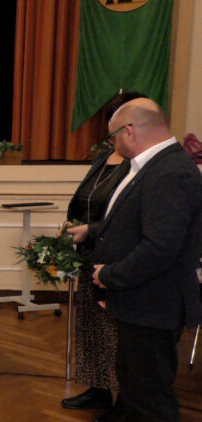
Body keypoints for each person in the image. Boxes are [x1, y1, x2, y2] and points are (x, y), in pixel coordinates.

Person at [92, 98, 202, 421]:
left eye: (112, 136)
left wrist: (109, 276)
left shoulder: (169, 172)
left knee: (151, 401)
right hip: (139, 302)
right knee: (135, 390)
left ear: (129, 131)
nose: (112, 144)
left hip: (153, 305)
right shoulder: (155, 167)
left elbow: (160, 248)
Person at [60, 92, 146, 412]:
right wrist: (72, 223)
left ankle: (124, 398)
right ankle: (98, 388)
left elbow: (130, 219)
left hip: (117, 257)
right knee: (91, 326)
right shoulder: (103, 158)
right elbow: (87, 196)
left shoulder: (140, 165)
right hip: (90, 254)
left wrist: (92, 230)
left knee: (115, 333)